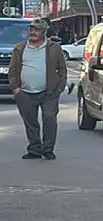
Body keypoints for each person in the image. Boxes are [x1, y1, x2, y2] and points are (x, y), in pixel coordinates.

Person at [8, 18, 68, 160]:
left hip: (49, 92)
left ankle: (48, 149)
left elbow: (62, 69)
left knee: (50, 119)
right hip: (25, 92)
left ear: (44, 32)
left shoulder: (54, 48)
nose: (33, 32)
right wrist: (15, 88)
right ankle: (34, 149)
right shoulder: (19, 48)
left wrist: (59, 88)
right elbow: (12, 70)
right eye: (31, 29)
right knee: (30, 122)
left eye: (37, 30)